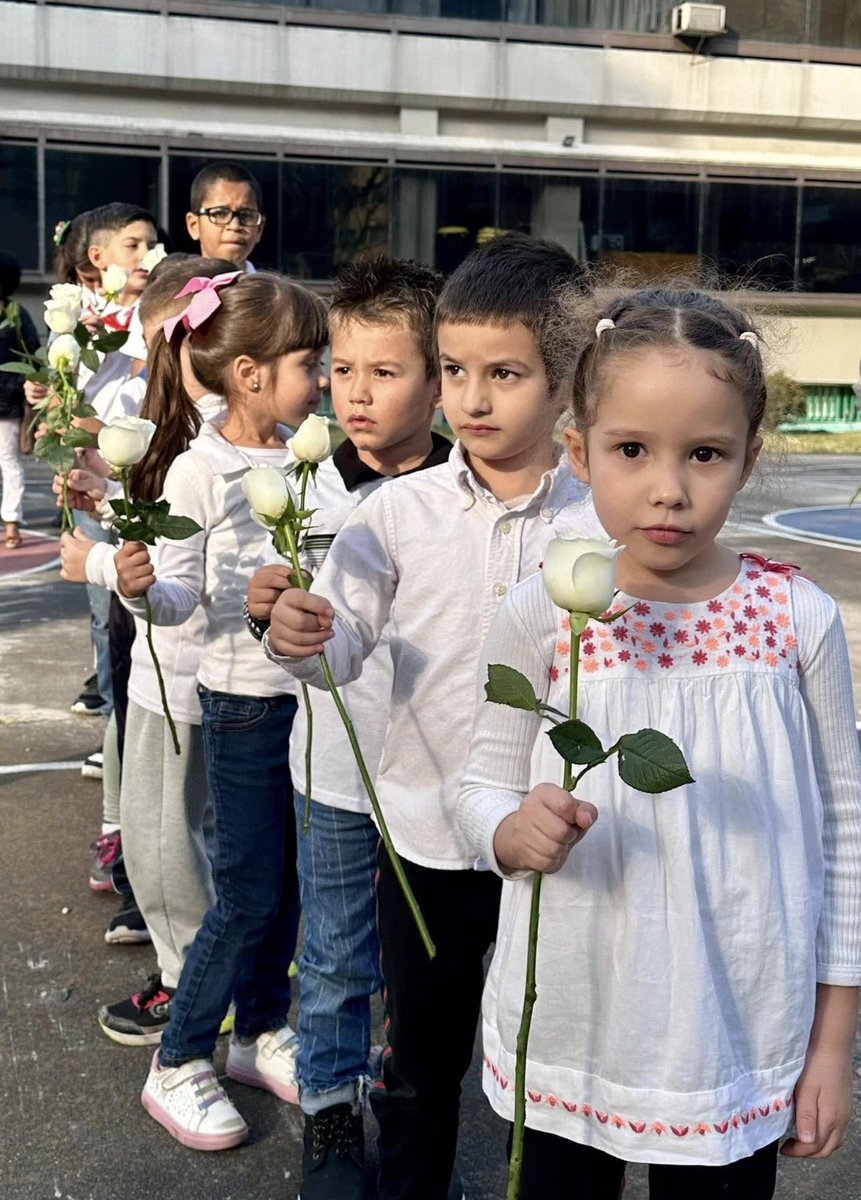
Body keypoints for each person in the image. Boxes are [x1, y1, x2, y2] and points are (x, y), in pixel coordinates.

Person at [456, 287, 861, 1199]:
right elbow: (478, 784)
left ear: (749, 459)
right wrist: (506, 831)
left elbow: (845, 840)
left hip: (737, 1035)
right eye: (630, 450)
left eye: (705, 454)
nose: (668, 488)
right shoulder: (541, 613)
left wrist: (832, 1046)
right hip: (571, 1028)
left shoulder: (796, 619)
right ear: (578, 450)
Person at [265, 233, 601, 1199]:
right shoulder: (392, 515)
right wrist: (300, 633)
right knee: (420, 1057)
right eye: (454, 370)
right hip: (426, 839)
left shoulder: (602, 523)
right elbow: (339, 653)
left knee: (550, 1052)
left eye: (505, 373)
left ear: (570, 380)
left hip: (553, 840)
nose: (472, 399)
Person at [246, 256, 450, 1199]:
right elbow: (283, 620)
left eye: (385, 371)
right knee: (331, 953)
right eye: (341, 368)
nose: (355, 394)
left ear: (439, 376)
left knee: (428, 964)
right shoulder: (306, 486)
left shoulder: (466, 491)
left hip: (439, 774)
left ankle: (417, 1125)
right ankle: (329, 1112)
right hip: (329, 764)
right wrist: (267, 613)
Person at [114, 270, 327, 1149]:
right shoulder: (203, 471)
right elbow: (181, 602)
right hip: (240, 703)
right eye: (310, 364)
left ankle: (261, 1028)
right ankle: (180, 1057)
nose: (323, 382)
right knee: (243, 893)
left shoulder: (309, 460)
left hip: (305, 702)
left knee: (283, 886)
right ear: (249, 374)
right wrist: (141, 591)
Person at [59, 256, 236, 958]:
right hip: (179, 676)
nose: (153, 368)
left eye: (168, 348)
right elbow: (166, 523)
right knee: (177, 830)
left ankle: (190, 975)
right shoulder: (189, 429)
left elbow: (183, 575)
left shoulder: (208, 443)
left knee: (171, 835)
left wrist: (96, 560)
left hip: (187, 677)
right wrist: (108, 491)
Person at [0, 252, 41, 549]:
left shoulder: (17, 314)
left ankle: (12, 521)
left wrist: (22, 388)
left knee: (9, 462)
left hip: (7, 403)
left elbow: (34, 357)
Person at [185, 161, 265, 272]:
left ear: (260, 229)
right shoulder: (178, 288)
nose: (235, 226)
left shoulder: (274, 289)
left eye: (246, 215)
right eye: (220, 214)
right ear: (194, 225)